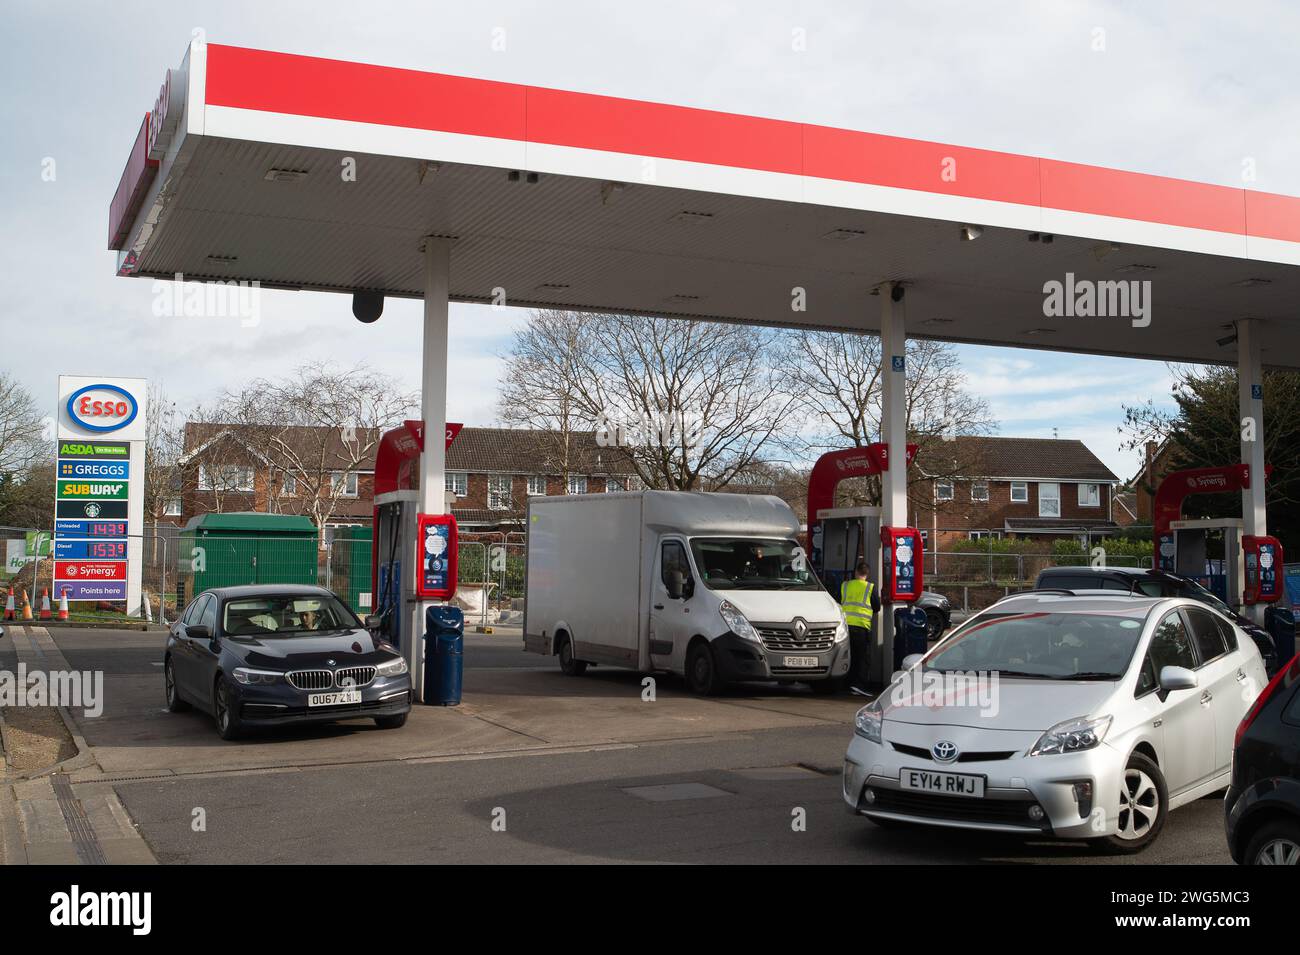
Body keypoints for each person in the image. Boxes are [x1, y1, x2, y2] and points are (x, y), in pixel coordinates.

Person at [840, 560, 880, 691]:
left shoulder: (845, 585)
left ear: (856, 572)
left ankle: (846, 683)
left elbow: (838, 602)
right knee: (862, 657)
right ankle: (859, 685)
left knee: (848, 655)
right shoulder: (870, 587)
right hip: (862, 627)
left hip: (845, 628)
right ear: (867, 574)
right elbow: (877, 607)